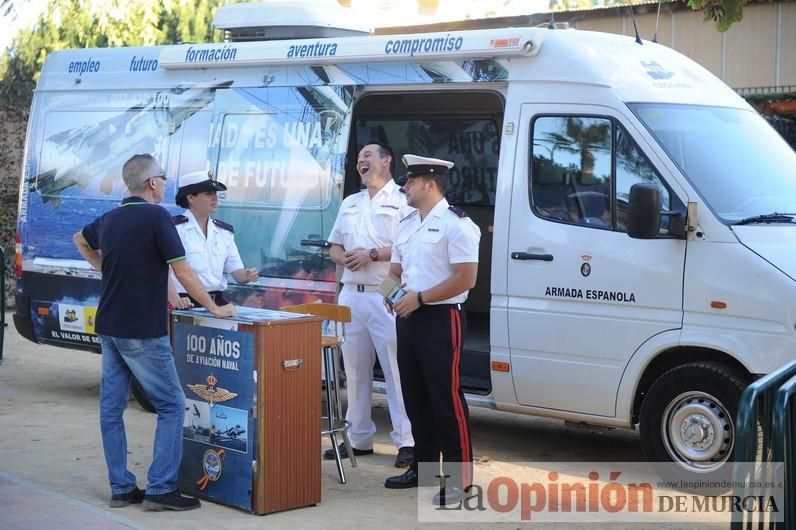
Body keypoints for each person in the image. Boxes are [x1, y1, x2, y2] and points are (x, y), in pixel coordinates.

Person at [73, 154, 236, 512]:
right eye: (162, 178)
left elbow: (80, 240)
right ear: (151, 184)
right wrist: (214, 307)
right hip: (142, 329)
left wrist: (106, 270)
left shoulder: (111, 218)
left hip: (110, 326)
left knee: (111, 408)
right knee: (173, 405)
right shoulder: (156, 217)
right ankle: (161, 488)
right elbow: (185, 272)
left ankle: (121, 487)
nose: (165, 183)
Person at [383, 154, 481, 506]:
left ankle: (460, 480)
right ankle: (423, 471)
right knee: (415, 396)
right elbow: (396, 271)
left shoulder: (458, 225)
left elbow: (465, 278)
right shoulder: (407, 224)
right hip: (407, 316)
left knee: (445, 399)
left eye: (409, 182)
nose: (404, 188)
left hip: (441, 318)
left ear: (429, 183)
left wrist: (420, 298)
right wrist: (392, 295)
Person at [325, 141, 415, 468]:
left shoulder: (404, 200)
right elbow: (334, 247)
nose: (361, 161)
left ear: (386, 160)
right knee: (355, 370)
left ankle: (407, 441)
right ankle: (358, 437)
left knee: (396, 369)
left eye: (368, 155)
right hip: (351, 293)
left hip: (386, 292)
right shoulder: (351, 202)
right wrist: (344, 257)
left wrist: (373, 254)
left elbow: (410, 245)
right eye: (359, 157)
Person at [168, 171, 258, 309]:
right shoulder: (174, 229)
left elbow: (237, 274)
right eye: (209, 194)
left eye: (216, 194)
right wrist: (175, 300)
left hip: (218, 302)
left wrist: (247, 275)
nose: (215, 198)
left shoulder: (224, 232)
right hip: (185, 303)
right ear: (191, 197)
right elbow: (164, 273)